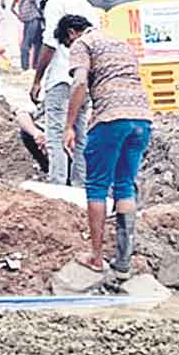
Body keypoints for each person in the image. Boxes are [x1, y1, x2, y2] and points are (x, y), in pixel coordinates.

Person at [57, 14, 152, 279]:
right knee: (124, 185)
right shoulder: (120, 42)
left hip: (110, 118)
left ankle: (96, 258)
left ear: (72, 32)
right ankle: (123, 264)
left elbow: (79, 83)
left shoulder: (83, 43)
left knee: (97, 186)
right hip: (142, 118)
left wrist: (69, 125)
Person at [30, 0, 97, 186]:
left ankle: (57, 184)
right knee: (80, 135)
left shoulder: (55, 3)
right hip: (83, 79)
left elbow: (49, 43)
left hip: (60, 78)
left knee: (56, 135)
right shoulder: (90, 8)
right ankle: (80, 185)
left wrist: (37, 80)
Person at [13, 0, 45, 70]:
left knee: (29, 40)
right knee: (31, 41)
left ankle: (28, 66)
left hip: (24, 13)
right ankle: (28, 66)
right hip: (33, 14)